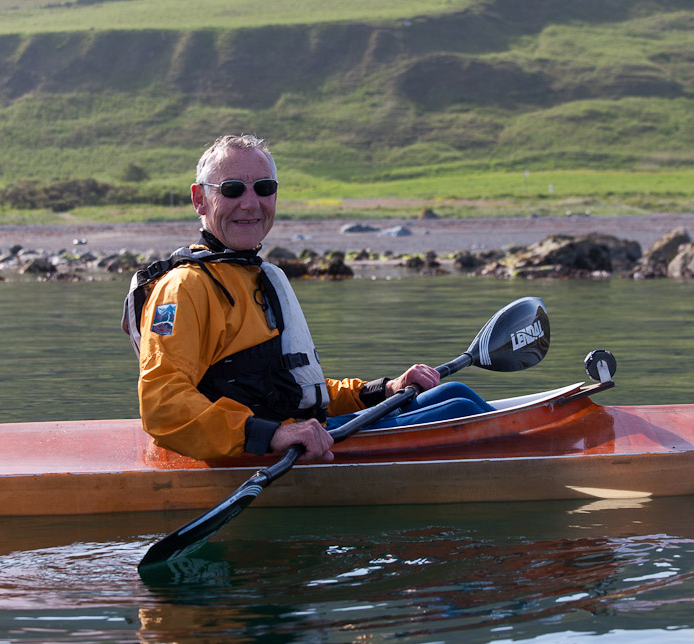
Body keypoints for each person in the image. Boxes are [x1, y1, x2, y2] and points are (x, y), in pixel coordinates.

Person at [123, 134, 491, 464]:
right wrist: (275, 435)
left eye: (263, 188)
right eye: (233, 189)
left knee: (451, 393)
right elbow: (163, 405)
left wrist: (380, 389)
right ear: (200, 199)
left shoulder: (257, 276)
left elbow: (296, 387)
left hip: (298, 432)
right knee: (455, 407)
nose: (250, 203)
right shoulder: (186, 287)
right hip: (251, 450)